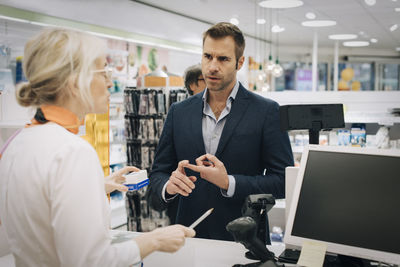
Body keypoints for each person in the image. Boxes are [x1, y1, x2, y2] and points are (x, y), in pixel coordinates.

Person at [0, 28, 194, 267]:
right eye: (104, 71)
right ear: (75, 82)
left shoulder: (19, 141)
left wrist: (92, 187)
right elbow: (91, 261)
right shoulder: (73, 151)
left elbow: (38, 209)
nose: (110, 81)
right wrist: (154, 240)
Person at [147, 22, 294, 242]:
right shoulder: (179, 112)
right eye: (208, 56)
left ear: (239, 62)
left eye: (223, 59)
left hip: (245, 240)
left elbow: (283, 181)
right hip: (189, 237)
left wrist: (229, 183)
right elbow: (158, 175)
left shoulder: (266, 111)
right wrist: (169, 185)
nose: (212, 66)